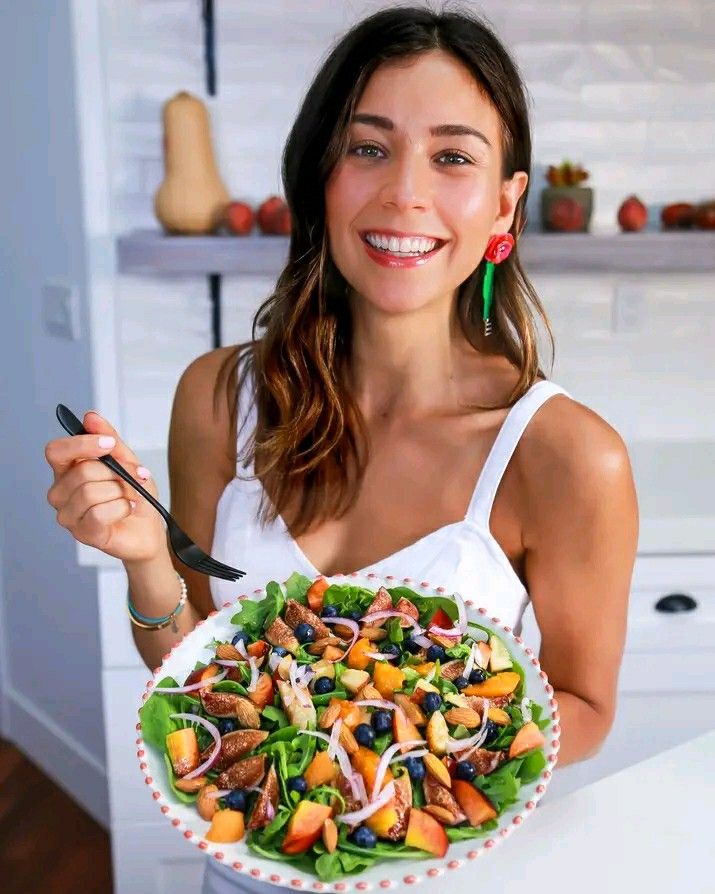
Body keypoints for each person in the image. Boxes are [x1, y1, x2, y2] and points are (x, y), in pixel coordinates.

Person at [44, 5, 639, 892]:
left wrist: (411, 774)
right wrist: (143, 564)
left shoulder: (565, 456)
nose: (404, 192)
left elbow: (584, 706)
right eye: (367, 147)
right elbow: (201, 670)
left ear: (504, 202)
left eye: (452, 156)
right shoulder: (217, 396)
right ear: (320, 175)